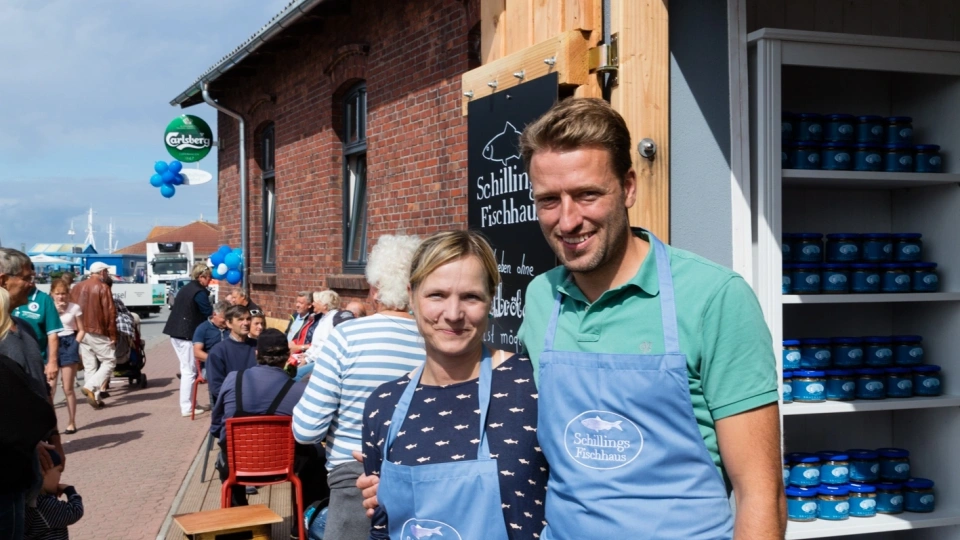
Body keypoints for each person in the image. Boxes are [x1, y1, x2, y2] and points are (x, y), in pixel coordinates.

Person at [360, 99, 784, 538]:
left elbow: (760, 491)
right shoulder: (543, 298)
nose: (568, 220)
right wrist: (396, 481)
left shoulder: (714, 298)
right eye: (548, 200)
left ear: (629, 188)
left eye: (587, 194)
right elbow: (517, 443)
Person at [362, 231, 547, 540]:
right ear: (411, 296)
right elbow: (382, 528)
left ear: (491, 300)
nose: (453, 314)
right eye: (437, 295)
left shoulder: (531, 386)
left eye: (470, 297)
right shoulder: (383, 406)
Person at [292, 234, 425, 540]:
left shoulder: (347, 337)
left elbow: (306, 429)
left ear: (375, 288)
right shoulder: (436, 342)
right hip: (419, 483)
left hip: (354, 481)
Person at [210, 329, 309, 506]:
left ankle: (237, 521)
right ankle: (303, 523)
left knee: (228, 454)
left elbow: (217, 427)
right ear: (287, 356)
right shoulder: (299, 390)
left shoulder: (233, 379)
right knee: (316, 458)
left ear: (256, 353)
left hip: (236, 466)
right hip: (284, 466)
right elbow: (308, 432)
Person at [163, 263, 213, 418]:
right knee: (189, 371)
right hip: (186, 335)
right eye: (209, 278)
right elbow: (208, 312)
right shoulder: (199, 292)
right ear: (201, 277)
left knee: (187, 369)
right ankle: (187, 407)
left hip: (176, 332)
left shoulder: (187, 288)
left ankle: (191, 402)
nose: (210, 281)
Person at [70, 262, 117, 409]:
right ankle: (91, 387)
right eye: (106, 272)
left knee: (90, 365)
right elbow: (110, 313)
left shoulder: (76, 287)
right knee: (109, 360)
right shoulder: (103, 287)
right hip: (97, 330)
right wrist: (113, 334)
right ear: (102, 272)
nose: (107, 274)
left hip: (80, 330)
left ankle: (95, 397)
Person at [11, 281, 63, 388]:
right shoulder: (7, 296)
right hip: (10, 360)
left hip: (35, 362)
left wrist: (52, 362)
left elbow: (53, 334)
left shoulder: (44, 299)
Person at [205, 305, 257, 408]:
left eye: (248, 319)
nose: (246, 323)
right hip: (233, 406)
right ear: (229, 323)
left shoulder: (259, 346)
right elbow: (217, 387)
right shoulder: (218, 351)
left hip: (259, 402)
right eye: (240, 319)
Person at [24, 450, 83, 540]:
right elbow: (75, 511)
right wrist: (70, 490)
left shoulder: (29, 501)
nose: (60, 475)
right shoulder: (44, 504)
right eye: (58, 471)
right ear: (42, 472)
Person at [51, 280, 84, 434]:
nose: (61, 297)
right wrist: (56, 312)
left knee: (68, 388)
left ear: (68, 294)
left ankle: (72, 421)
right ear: (52, 294)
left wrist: (75, 345)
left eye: (63, 293)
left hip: (69, 341)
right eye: (57, 293)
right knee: (49, 388)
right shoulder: (49, 307)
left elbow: (82, 330)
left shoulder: (74, 308)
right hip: (52, 343)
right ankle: (50, 425)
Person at [192, 300, 231, 365]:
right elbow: (197, 352)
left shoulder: (231, 328)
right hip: (211, 364)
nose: (227, 321)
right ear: (214, 314)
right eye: (224, 318)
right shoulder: (203, 328)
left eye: (229, 319)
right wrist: (216, 360)